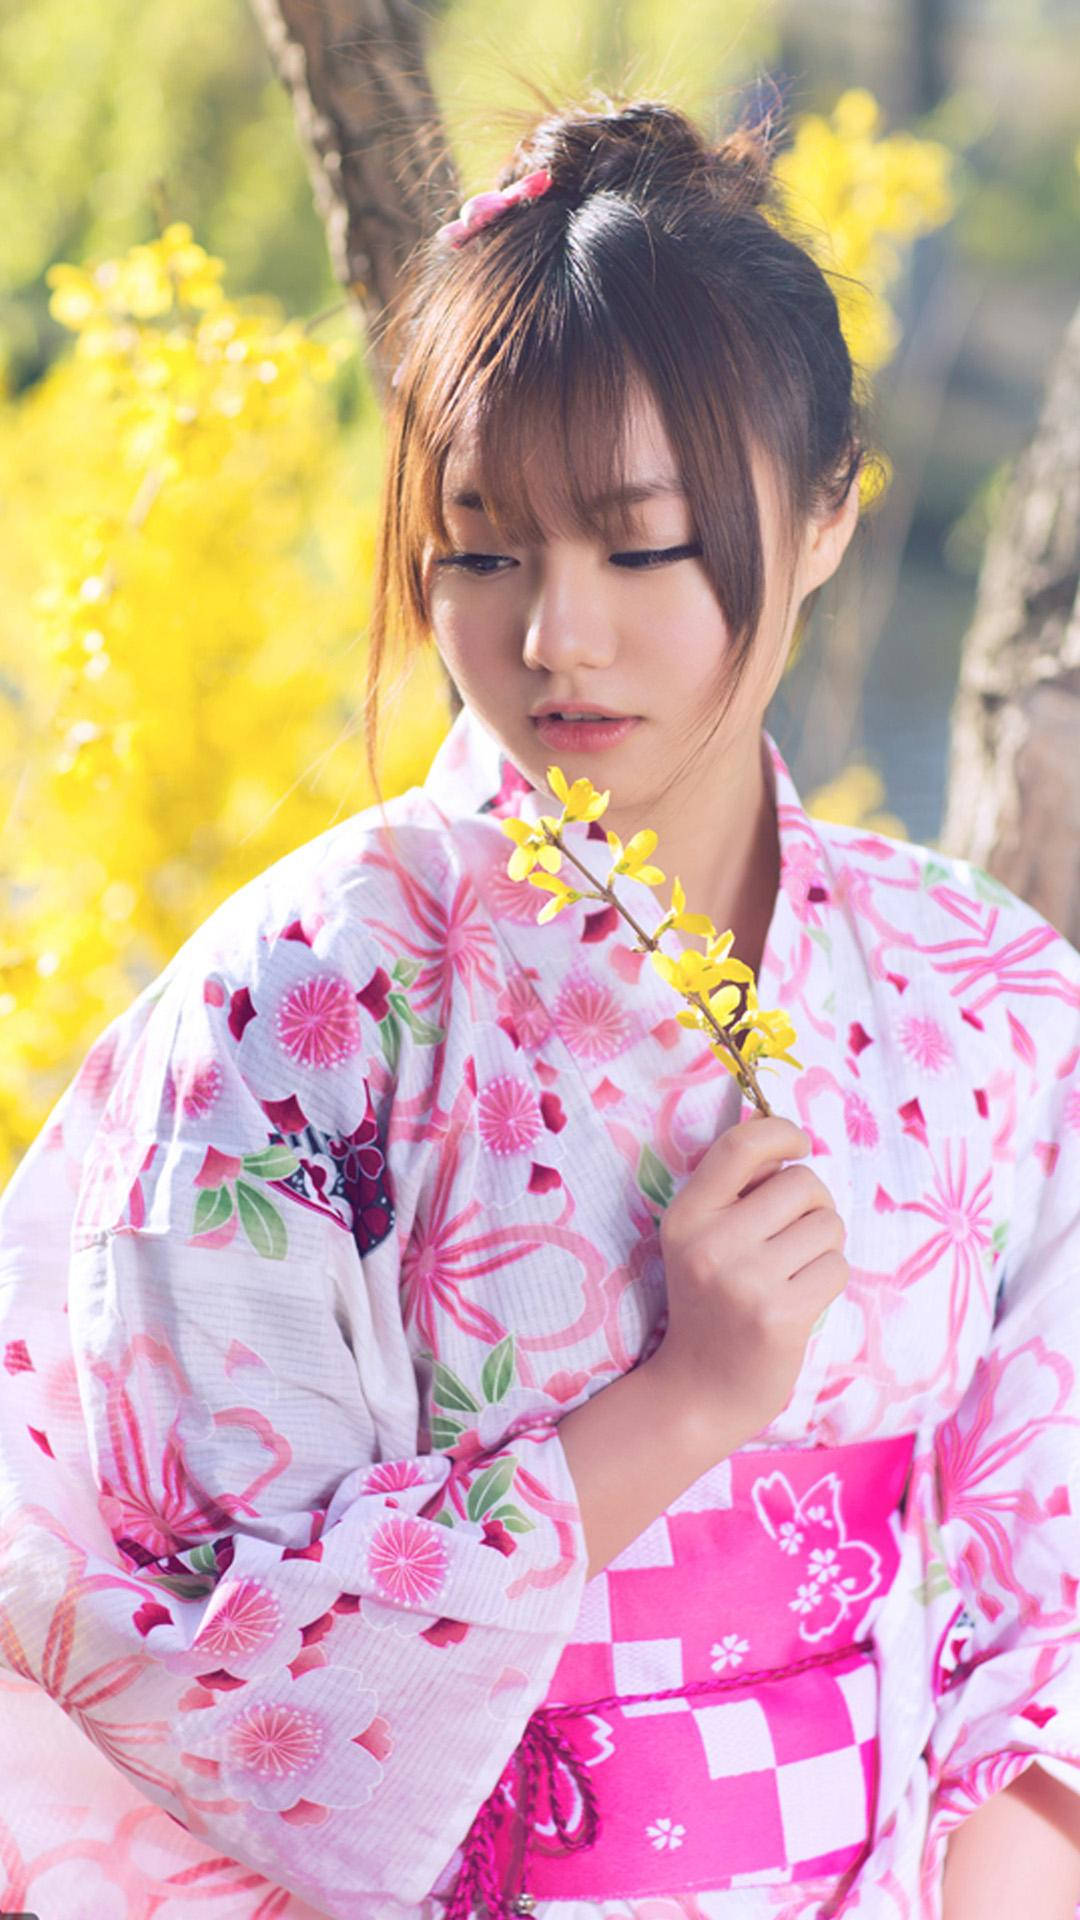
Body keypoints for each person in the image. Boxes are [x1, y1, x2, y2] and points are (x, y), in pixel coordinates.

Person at [0, 90, 1078, 1920]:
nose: (551, 636)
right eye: (483, 545)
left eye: (641, 548)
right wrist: (684, 1407)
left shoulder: (990, 1000)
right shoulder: (299, 1004)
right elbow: (193, 1650)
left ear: (825, 516)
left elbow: (1040, 1596)